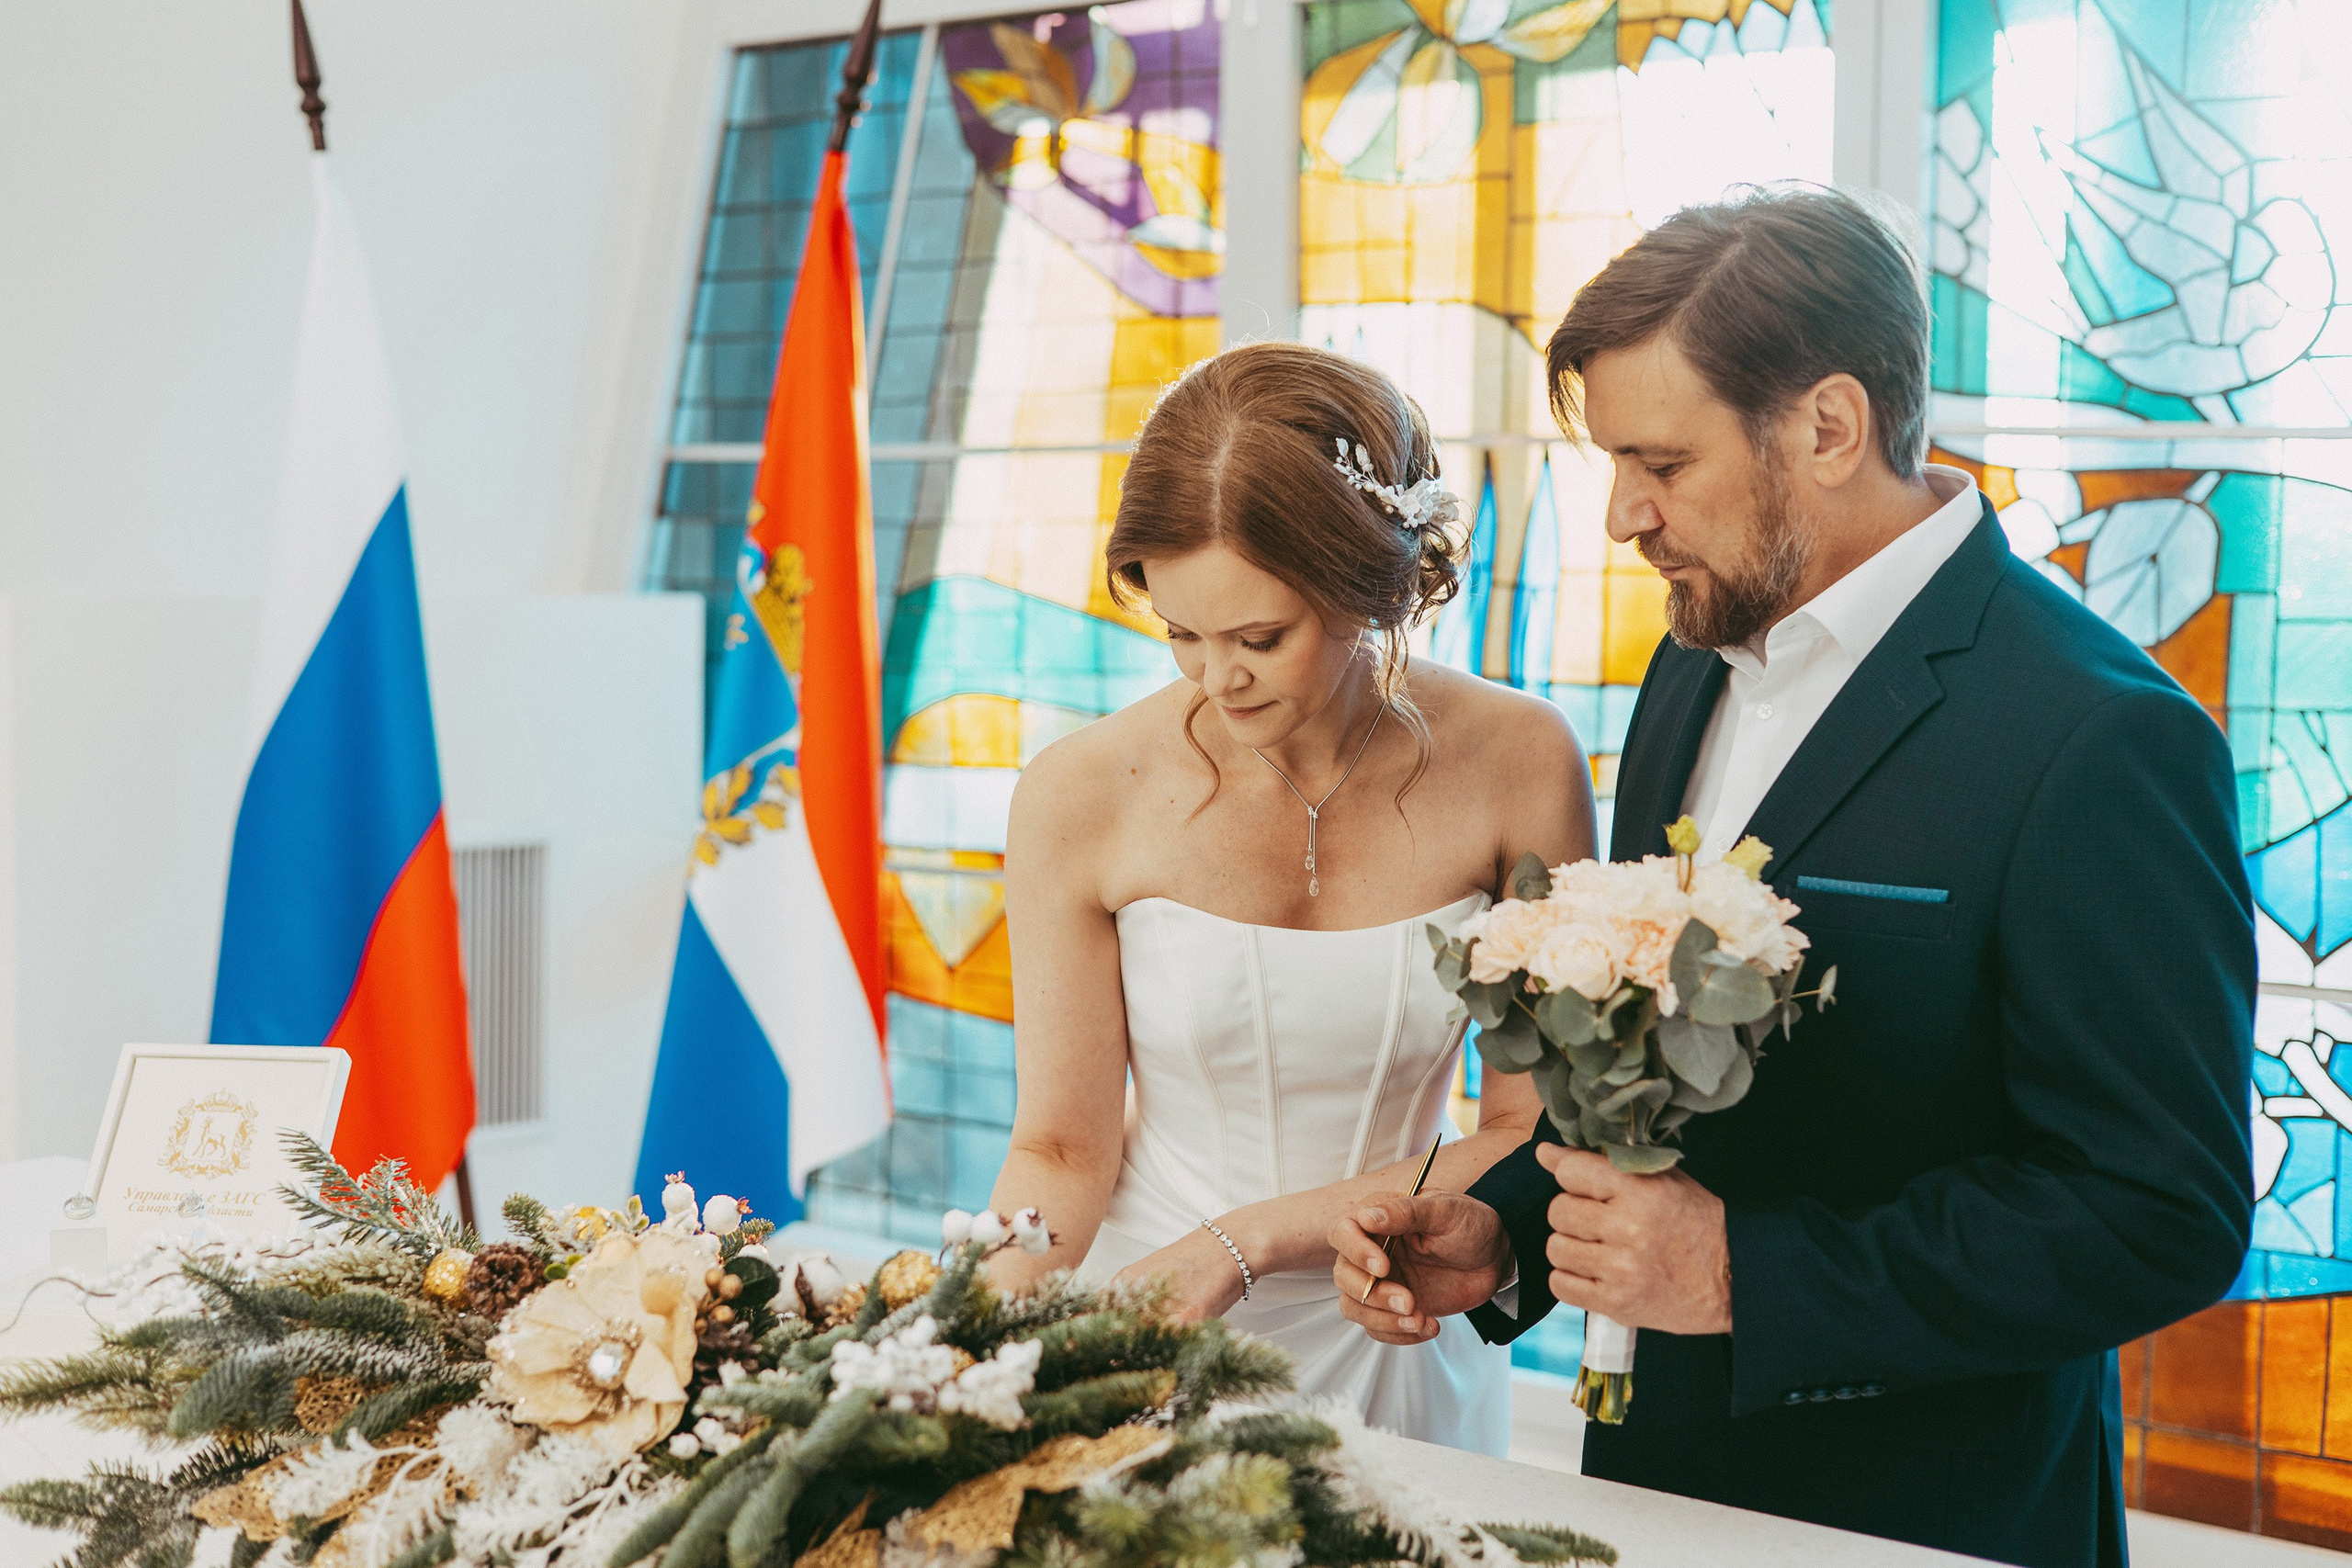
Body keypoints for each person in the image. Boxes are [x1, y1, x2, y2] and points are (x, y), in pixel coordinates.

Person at [1327, 186, 2255, 1566]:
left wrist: (1742, 1274)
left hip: (1932, 1517)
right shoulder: (1687, 662)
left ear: (1828, 426)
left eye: (1661, 460)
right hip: (1644, 1485)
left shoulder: (2098, 736)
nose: (1626, 513)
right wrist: (1507, 1233)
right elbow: (1668, 1074)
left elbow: (2160, 1210)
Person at [982, 341, 1596, 1454]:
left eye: (1259, 638)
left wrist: (1246, 1240)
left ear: (1372, 586)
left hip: (1402, 1304)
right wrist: (964, 1342)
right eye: (1179, 634)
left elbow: (1525, 1127)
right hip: (1148, 1308)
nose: (1217, 679)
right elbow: (1063, 1153)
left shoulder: (1521, 762)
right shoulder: (1078, 795)